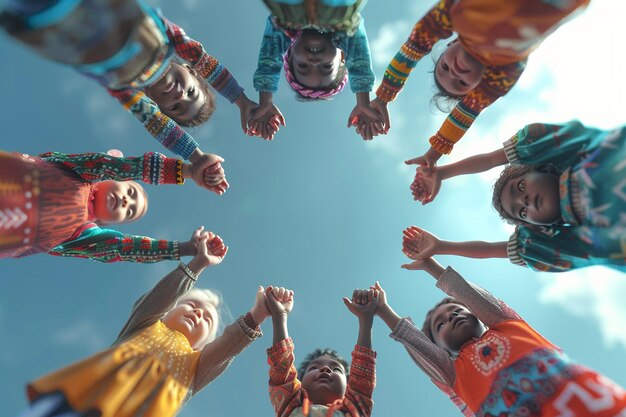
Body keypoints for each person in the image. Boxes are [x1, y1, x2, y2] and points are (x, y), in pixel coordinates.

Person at [0, 0, 259, 182]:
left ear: (156, 105)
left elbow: (158, 125)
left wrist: (196, 157)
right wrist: (241, 100)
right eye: (191, 93)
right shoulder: (169, 41)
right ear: (192, 71)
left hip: (47, 20)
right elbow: (207, 62)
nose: (180, 96)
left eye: (176, 108)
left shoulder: (126, 88)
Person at [17, 230, 269, 417]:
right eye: (192, 305)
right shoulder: (146, 324)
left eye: (207, 318)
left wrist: (256, 315)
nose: (198, 314)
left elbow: (227, 346)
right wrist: (199, 262)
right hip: (86, 396)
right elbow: (160, 298)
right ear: (171, 309)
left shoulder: (197, 366)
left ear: (205, 343)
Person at [373, 260, 626, 417]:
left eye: (458, 311)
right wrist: (383, 309)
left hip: (593, 402)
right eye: (440, 325)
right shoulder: (453, 376)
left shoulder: (508, 326)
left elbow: (472, 296)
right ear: (439, 347)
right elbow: (418, 345)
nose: (452, 318)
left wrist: (430, 265)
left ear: (479, 315)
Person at [371, 0, 589, 169]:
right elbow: (466, 112)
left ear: (450, 44)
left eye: (444, 67)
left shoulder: (455, 15)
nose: (454, 72)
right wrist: (433, 154)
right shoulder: (505, 68)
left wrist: (383, 97)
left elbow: (415, 46)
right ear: (480, 88)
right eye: (461, 82)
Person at [406, 120, 626, 272]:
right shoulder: (578, 242)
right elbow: (492, 250)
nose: (524, 200)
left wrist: (443, 172)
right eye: (521, 211)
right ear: (538, 227)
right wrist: (442, 246)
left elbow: (493, 159)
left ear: (541, 169)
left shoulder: (579, 154)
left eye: (520, 186)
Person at [0, 150, 224, 262]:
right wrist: (186, 171)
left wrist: (186, 248)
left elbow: (126, 247)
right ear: (111, 179)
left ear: (108, 224)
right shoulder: (82, 173)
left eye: (129, 211)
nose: (128, 201)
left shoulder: (83, 236)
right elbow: (124, 167)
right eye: (130, 191)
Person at [251, 0, 383, 141]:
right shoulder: (344, 24)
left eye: (303, 66)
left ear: (289, 55)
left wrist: (265, 101)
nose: (314, 62)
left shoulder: (284, 23)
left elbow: (269, 59)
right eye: (326, 67)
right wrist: (363, 101)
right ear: (343, 56)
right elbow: (358, 60)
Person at [265, 285, 377, 417]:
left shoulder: (354, 409)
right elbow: (282, 367)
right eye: (313, 368)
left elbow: (363, 373)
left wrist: (366, 320)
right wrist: (280, 315)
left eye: (336, 369)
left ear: (348, 386)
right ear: (298, 384)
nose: (325, 369)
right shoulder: (289, 405)